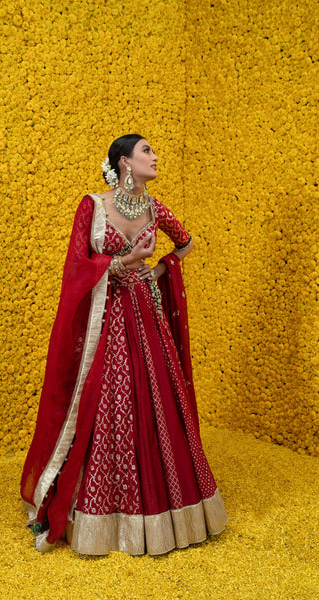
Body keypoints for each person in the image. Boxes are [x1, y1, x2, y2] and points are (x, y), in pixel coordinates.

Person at [21, 134, 228, 556]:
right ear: (124, 162)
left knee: (155, 401)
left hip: (146, 315)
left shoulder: (155, 208)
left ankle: (163, 511)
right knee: (106, 402)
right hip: (103, 319)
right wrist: (127, 261)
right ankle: (96, 510)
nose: (155, 157)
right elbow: (77, 265)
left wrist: (158, 270)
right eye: (147, 151)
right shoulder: (93, 206)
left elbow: (185, 242)